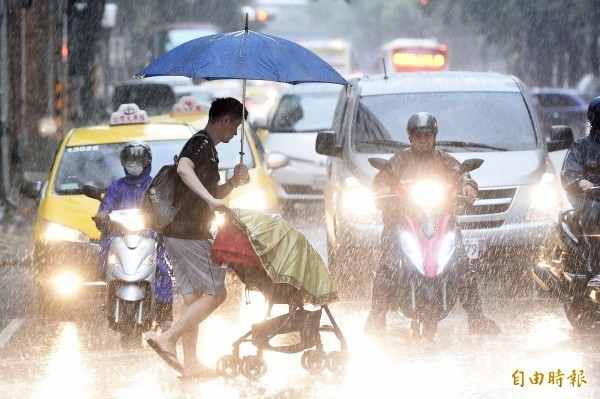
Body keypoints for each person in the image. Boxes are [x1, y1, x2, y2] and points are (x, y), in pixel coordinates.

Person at [364, 112, 500, 335]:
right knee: (387, 265)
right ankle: (376, 316)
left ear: (434, 136)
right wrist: (384, 192)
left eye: (427, 135)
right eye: (418, 136)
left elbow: (463, 175)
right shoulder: (399, 161)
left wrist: (469, 187)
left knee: (463, 265)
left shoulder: (445, 160)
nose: (423, 140)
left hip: (442, 223)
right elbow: (381, 180)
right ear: (410, 138)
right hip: (403, 223)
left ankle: (476, 317)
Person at [146, 97, 249, 379]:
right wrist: (209, 200)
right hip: (190, 232)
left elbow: (214, 195)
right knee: (217, 294)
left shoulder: (210, 151)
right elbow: (183, 168)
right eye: (236, 127)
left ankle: (190, 364)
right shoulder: (201, 143)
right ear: (225, 120)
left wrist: (233, 183)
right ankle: (167, 338)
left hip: (176, 233)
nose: (235, 134)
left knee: (193, 298)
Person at [95, 141, 174, 329]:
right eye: (131, 160)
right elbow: (106, 205)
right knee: (107, 254)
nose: (135, 164)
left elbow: (161, 208)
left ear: (147, 162)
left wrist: (164, 217)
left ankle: (164, 315)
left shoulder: (153, 187)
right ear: (124, 162)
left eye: (139, 160)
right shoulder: (117, 187)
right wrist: (102, 214)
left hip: (149, 236)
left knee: (162, 268)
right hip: (120, 235)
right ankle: (110, 290)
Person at [561, 96, 600, 287]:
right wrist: (582, 181)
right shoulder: (581, 146)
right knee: (595, 214)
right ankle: (595, 268)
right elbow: (570, 172)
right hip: (587, 200)